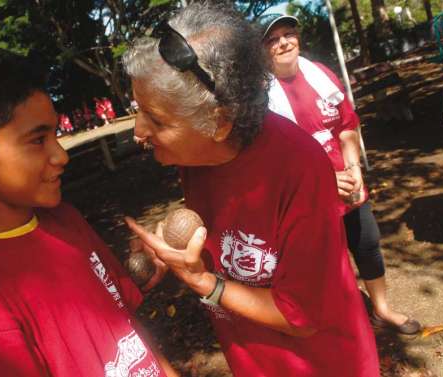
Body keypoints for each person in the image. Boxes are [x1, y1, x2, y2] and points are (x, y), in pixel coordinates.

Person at [123, 3, 379, 376]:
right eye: (138, 108)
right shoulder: (195, 160)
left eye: (156, 119)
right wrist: (172, 248)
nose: (138, 133)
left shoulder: (298, 167)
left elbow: (301, 318)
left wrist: (203, 282)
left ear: (220, 122)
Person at [0, 48, 176, 377]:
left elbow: (126, 324)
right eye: (37, 140)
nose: (61, 155)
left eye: (55, 135)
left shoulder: (65, 219)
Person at [262, 14, 421, 334]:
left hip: (346, 182)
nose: (283, 43)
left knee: (368, 244)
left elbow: (347, 126)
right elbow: (270, 160)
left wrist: (353, 167)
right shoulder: (260, 96)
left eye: (288, 34)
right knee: (328, 263)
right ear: (263, 50)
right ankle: (347, 321)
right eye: (273, 39)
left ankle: (382, 310)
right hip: (304, 194)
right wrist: (322, 181)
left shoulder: (320, 74)